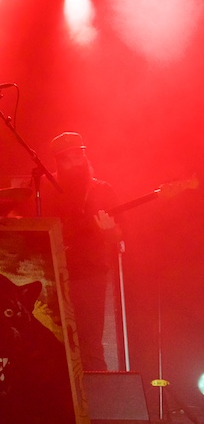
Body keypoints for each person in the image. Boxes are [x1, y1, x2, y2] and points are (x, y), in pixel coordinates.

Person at [48, 132, 121, 372]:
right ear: (57, 162)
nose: (75, 162)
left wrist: (110, 232)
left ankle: (99, 406)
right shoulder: (46, 191)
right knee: (54, 345)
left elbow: (123, 235)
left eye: (79, 155)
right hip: (53, 278)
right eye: (67, 158)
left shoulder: (102, 190)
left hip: (90, 277)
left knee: (90, 346)